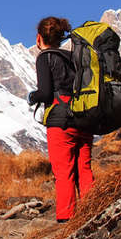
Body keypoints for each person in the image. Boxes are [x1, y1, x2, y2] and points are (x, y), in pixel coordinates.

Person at [27, 16, 94, 223]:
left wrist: (32, 96)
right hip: (83, 119)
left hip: (60, 121)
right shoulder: (73, 57)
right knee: (84, 167)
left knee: (64, 171)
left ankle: (67, 218)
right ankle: (95, 210)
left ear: (39, 38)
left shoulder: (44, 57)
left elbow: (46, 93)